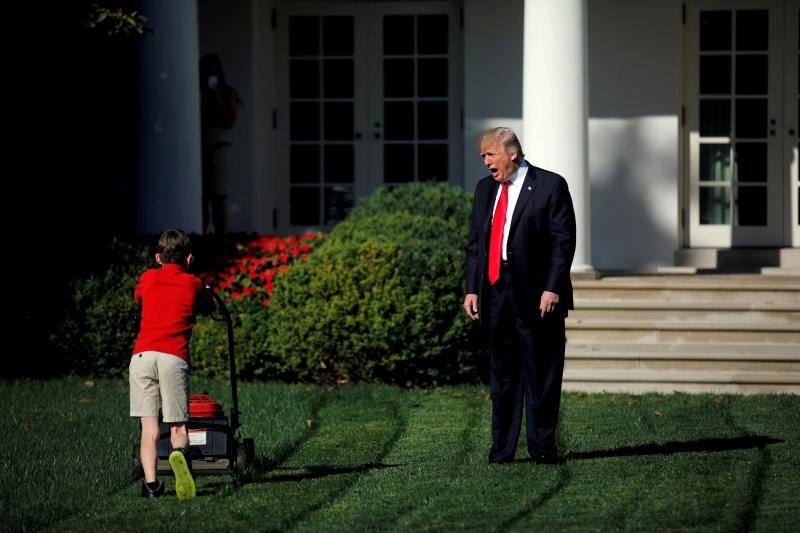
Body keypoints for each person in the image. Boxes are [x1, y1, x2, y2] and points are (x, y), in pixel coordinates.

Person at [463, 127, 576, 464]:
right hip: (495, 291)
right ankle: (502, 450)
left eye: (491, 155)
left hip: (537, 293)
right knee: (503, 374)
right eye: (483, 156)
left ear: (512, 154)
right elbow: (475, 245)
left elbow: (563, 242)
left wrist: (553, 287)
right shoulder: (485, 189)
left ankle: (542, 448)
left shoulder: (550, 185)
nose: (486, 162)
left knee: (541, 372)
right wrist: (472, 288)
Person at [130, 229, 210, 498]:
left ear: (158, 257)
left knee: (149, 427)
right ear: (189, 259)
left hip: (141, 357)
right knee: (178, 426)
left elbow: (138, 298)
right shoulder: (193, 283)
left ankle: (151, 486)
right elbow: (205, 305)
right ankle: (179, 454)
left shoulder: (148, 277)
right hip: (172, 357)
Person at [199, 53, 240, 234]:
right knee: (201, 198)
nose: (211, 75)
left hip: (219, 149)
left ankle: (221, 238)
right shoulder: (196, 93)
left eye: (214, 72)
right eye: (207, 72)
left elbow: (228, 121)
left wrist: (215, 93)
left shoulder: (228, 93)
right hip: (200, 151)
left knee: (219, 198)